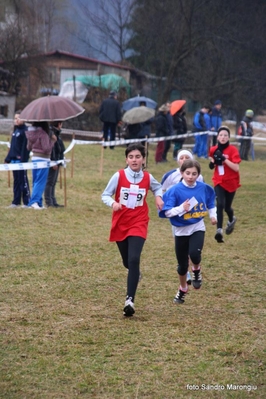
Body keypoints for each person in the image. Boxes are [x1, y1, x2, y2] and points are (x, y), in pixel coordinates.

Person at [101, 143, 163, 317]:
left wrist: (158, 197)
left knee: (134, 258)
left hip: (139, 221)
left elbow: (158, 187)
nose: (134, 160)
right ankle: (135, 274)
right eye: (131, 157)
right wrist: (113, 203)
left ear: (143, 159)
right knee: (127, 262)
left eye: (138, 157)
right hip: (121, 222)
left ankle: (129, 300)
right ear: (126, 159)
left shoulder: (148, 177)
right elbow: (105, 194)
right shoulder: (119, 176)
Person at [159, 159, 217, 304]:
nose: (191, 176)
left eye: (194, 174)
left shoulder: (204, 188)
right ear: (182, 173)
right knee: (182, 266)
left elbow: (210, 201)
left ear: (198, 175)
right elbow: (166, 212)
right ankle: (183, 288)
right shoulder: (174, 190)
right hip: (180, 231)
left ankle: (196, 270)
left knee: (195, 254)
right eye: (188, 173)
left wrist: (213, 215)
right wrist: (181, 208)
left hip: (197, 226)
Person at [161, 149, 204, 285]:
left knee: (193, 247)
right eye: (181, 157)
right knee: (182, 245)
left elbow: (201, 192)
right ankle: (186, 271)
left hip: (193, 217)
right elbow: (161, 190)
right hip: (177, 216)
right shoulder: (170, 176)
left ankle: (192, 270)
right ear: (178, 161)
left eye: (187, 157)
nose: (184, 159)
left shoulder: (199, 177)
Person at [209, 126, 241, 243]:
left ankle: (232, 219)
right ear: (217, 137)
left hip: (231, 181)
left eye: (225, 135)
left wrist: (224, 159)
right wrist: (212, 164)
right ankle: (219, 231)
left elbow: (236, 168)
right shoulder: (213, 149)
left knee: (227, 207)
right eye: (221, 135)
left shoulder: (232, 150)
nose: (223, 137)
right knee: (220, 204)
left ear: (228, 138)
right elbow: (212, 160)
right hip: (219, 181)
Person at [26, 121, 57, 209]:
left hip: (34, 158)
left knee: (35, 181)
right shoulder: (43, 134)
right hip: (43, 159)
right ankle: (34, 201)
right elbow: (46, 148)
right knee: (40, 182)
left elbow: (28, 147)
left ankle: (38, 202)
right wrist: (52, 140)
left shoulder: (31, 134)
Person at [5, 111, 30, 207]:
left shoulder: (25, 131)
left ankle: (27, 201)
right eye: (15, 118)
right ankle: (16, 201)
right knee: (16, 181)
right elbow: (13, 147)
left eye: (18, 118)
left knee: (23, 180)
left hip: (21, 161)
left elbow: (26, 147)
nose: (17, 120)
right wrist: (8, 158)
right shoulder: (15, 131)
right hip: (14, 160)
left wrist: (23, 159)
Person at [44, 121, 65, 208]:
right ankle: (49, 202)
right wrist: (53, 161)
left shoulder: (56, 134)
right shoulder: (51, 134)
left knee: (53, 182)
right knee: (50, 182)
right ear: (59, 124)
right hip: (53, 161)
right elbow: (51, 149)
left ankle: (53, 201)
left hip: (58, 161)